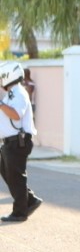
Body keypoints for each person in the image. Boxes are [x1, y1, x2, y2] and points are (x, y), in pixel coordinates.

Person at [0, 61, 41, 222]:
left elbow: (16, 114)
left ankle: (19, 212)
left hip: (18, 142)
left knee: (16, 176)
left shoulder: (19, 93)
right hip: (9, 142)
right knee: (9, 173)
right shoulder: (11, 94)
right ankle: (29, 199)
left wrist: (0, 104)